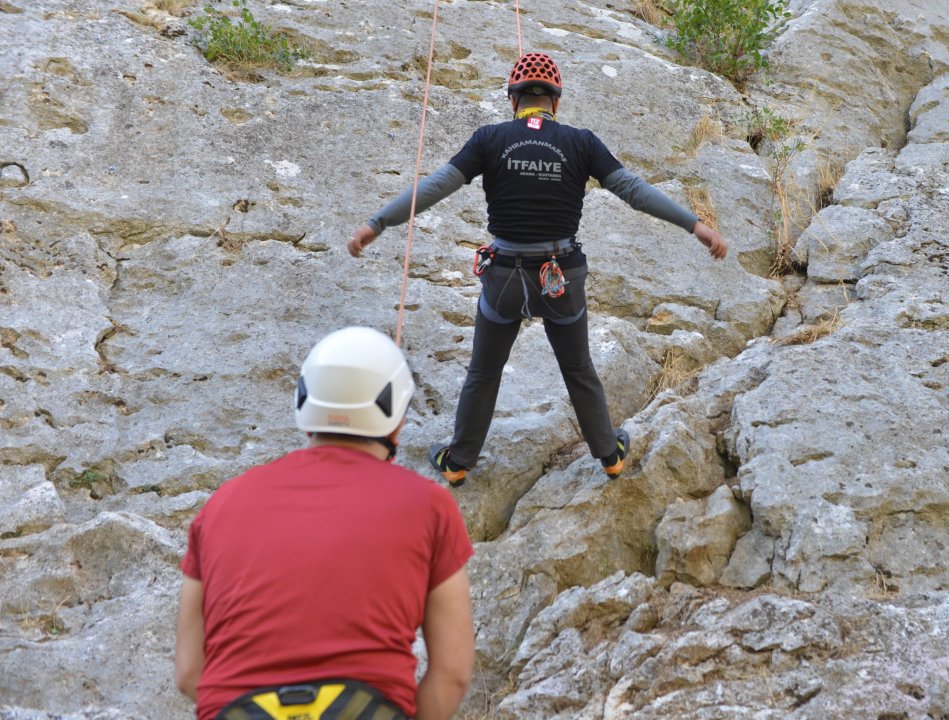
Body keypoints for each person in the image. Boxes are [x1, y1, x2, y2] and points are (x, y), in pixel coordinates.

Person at [349, 52, 728, 487]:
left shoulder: (489, 139)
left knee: (483, 371)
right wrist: (694, 225)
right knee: (578, 368)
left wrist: (377, 223)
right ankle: (608, 455)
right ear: (555, 102)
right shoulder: (581, 142)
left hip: (504, 278)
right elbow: (632, 190)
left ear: (514, 99)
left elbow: (437, 186)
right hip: (560, 277)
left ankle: (459, 461)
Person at [174, 326, 475, 720]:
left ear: (303, 402)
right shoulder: (429, 505)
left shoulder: (221, 505)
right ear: (397, 418)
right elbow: (452, 673)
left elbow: (188, 673)